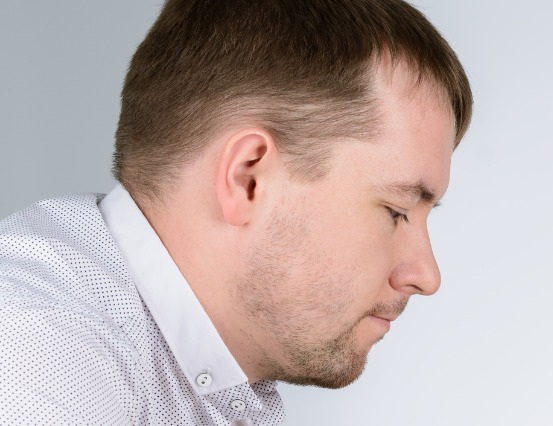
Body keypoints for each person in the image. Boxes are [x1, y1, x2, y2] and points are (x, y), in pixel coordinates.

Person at [0, 0, 471, 424]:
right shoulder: (37, 354)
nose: (426, 276)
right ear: (247, 178)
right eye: (395, 211)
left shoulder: (211, 380)